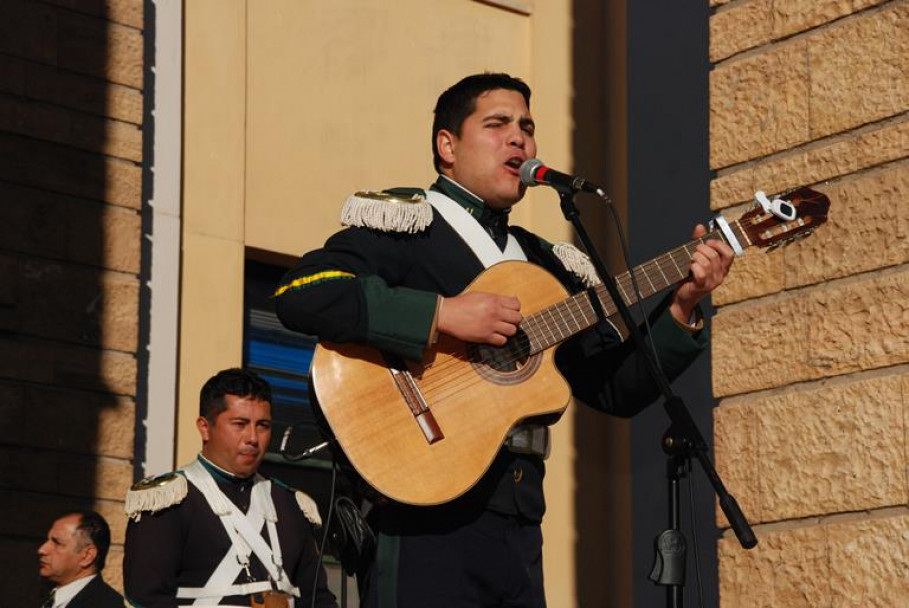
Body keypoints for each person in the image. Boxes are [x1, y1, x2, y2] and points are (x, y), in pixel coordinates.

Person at [274, 72, 734, 607]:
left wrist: (682, 305)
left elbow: (614, 388)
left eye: (527, 126)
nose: (519, 138)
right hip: (422, 512)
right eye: (497, 124)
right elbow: (302, 293)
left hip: (518, 519)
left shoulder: (545, 262)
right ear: (447, 145)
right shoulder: (408, 227)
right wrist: (441, 313)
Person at [123, 368, 337, 608]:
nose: (253, 438)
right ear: (205, 428)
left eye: (263, 425)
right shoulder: (169, 501)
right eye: (240, 424)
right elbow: (146, 596)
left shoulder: (291, 505)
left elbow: (318, 599)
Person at [37, 511, 124, 608]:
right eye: (47, 540)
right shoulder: (45, 597)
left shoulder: (109, 604)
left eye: (57, 543)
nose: (42, 550)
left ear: (87, 556)